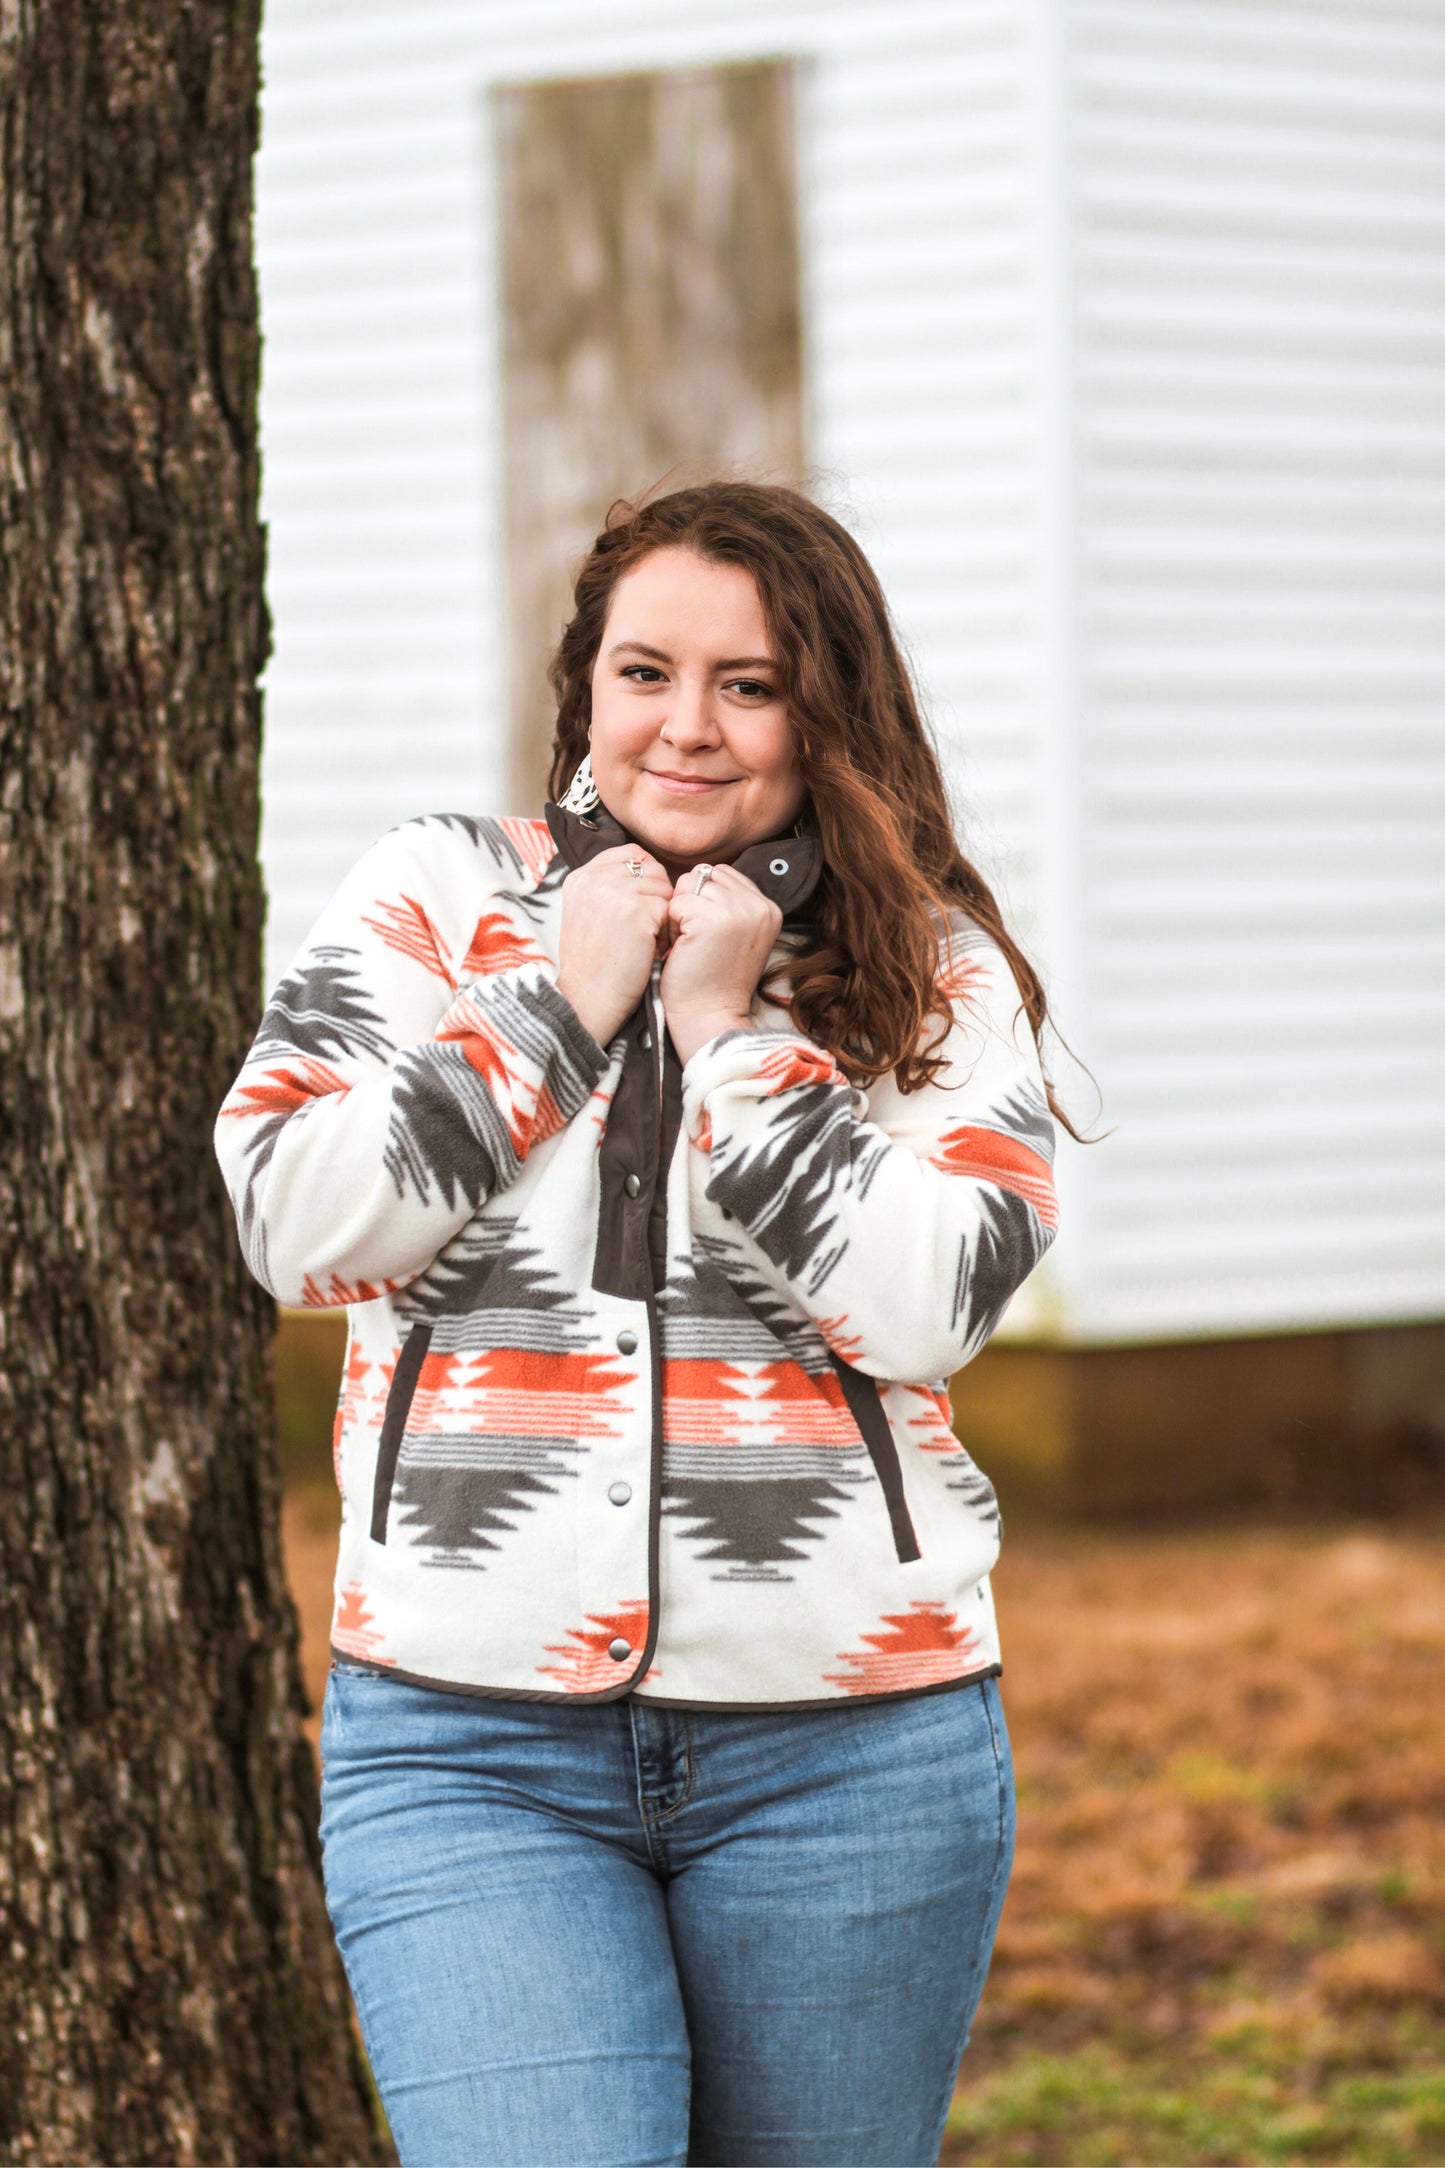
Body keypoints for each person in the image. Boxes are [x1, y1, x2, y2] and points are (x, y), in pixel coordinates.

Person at [215, 482, 1066, 2168]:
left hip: (854, 1760)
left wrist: (727, 1040)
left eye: (748, 685)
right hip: (468, 1743)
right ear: (581, 688)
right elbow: (291, 1225)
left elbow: (928, 1305)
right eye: (644, 672)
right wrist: (553, 1002)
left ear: (827, 707)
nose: (686, 727)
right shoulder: (432, 897)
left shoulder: (932, 970)